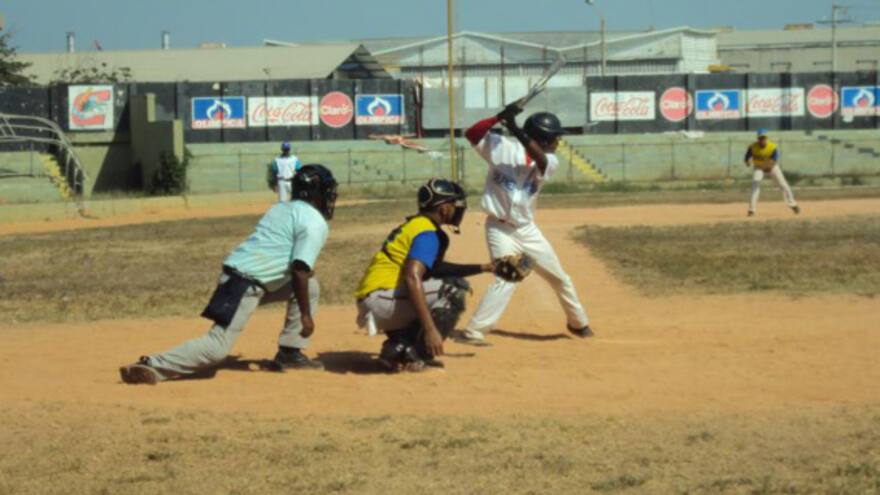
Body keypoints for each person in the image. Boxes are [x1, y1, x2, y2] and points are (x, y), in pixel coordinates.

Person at [119, 165, 338, 384]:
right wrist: (306, 317)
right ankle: (152, 364)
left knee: (310, 286)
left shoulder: (281, 208)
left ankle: (290, 353)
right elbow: (299, 270)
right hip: (243, 285)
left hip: (242, 278)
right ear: (316, 193)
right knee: (217, 347)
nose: (330, 197)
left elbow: (296, 268)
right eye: (327, 191)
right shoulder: (314, 222)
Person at [456, 103, 594, 346]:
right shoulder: (501, 148)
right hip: (500, 229)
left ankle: (578, 323)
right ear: (541, 138)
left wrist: (515, 128)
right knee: (507, 276)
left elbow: (541, 161)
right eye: (554, 138)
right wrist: (499, 117)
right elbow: (472, 134)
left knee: (559, 278)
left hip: (527, 231)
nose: (557, 142)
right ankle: (475, 331)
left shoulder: (550, 160)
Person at [354, 179, 495, 372]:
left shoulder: (418, 225)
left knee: (435, 284)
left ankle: (397, 348)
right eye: (455, 204)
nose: (459, 209)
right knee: (453, 290)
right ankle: (416, 355)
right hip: (382, 301)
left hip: (377, 298)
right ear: (444, 208)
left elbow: (435, 270)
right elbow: (413, 277)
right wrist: (430, 330)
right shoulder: (427, 233)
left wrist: (484, 267)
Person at [745, 129, 800, 217]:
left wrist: (768, 167)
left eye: (764, 138)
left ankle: (793, 204)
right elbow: (747, 158)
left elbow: (774, 160)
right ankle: (752, 210)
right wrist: (747, 162)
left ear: (767, 138)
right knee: (755, 186)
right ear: (757, 139)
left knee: (783, 185)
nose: (762, 140)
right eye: (760, 138)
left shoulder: (772, 147)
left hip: (772, 167)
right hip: (758, 168)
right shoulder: (752, 147)